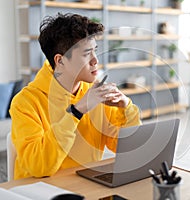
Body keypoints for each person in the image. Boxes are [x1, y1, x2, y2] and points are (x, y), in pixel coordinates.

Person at [10, 13, 141, 180]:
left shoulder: (95, 91)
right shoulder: (25, 102)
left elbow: (125, 148)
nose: (95, 60)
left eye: (95, 51)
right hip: (41, 191)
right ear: (60, 61)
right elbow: (39, 166)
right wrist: (77, 111)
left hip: (88, 187)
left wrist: (127, 108)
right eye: (87, 54)